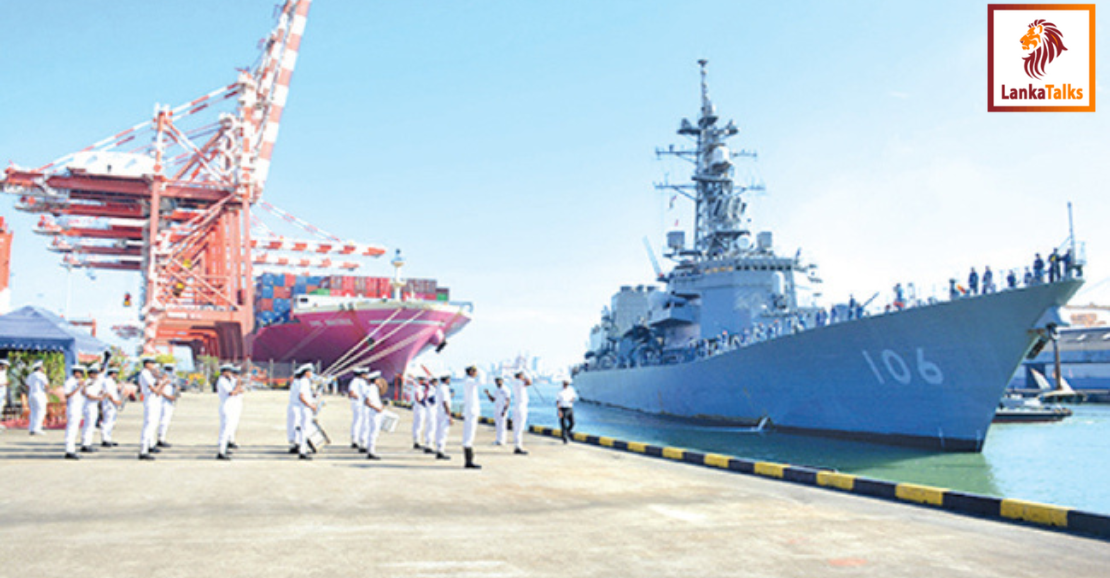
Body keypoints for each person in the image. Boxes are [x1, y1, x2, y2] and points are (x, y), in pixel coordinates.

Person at [216, 364, 244, 460]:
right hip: (226, 406)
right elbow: (232, 393)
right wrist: (238, 385)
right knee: (226, 429)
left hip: (230, 406)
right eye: (228, 371)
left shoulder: (228, 380)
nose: (230, 373)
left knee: (228, 428)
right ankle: (221, 451)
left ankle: (223, 448)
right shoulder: (222, 381)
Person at [292, 363, 319, 460]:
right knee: (305, 430)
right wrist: (311, 405)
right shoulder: (304, 381)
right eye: (310, 372)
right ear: (306, 372)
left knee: (305, 429)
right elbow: (302, 396)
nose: (311, 374)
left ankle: (303, 450)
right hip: (305, 408)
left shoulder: (305, 381)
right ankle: (303, 451)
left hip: (305, 408)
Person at [138, 356, 162, 460]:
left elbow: (157, 389)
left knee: (154, 424)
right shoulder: (145, 373)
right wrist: (163, 383)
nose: (153, 366)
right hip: (149, 399)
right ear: (147, 364)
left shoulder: (150, 374)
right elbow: (153, 389)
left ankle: (150, 445)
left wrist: (158, 378)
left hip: (155, 399)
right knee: (149, 424)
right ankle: (143, 450)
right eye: (152, 363)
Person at [62, 365, 88, 460]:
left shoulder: (78, 382)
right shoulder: (69, 382)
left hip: (78, 407)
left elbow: (84, 393)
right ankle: (69, 450)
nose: (80, 375)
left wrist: (83, 386)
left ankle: (72, 449)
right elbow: (67, 395)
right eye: (80, 373)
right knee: (71, 429)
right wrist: (78, 387)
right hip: (72, 407)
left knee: (75, 429)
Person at [461, 366, 482, 469]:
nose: (476, 373)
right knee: (469, 436)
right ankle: (468, 461)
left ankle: (469, 460)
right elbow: (481, 381)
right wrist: (481, 371)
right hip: (471, 412)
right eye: (475, 371)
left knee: (469, 436)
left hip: (471, 411)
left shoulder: (469, 381)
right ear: (470, 372)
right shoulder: (469, 381)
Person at [79, 364, 104, 453]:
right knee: (89, 425)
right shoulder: (89, 383)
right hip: (89, 406)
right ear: (91, 374)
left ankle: (87, 443)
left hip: (93, 405)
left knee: (90, 425)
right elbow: (89, 395)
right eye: (95, 374)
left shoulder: (95, 382)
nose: (97, 375)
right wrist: (99, 398)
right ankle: (86, 444)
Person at [362, 369, 385, 460]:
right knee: (373, 432)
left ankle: (371, 450)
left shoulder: (374, 388)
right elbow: (367, 402)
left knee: (374, 432)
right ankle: (371, 452)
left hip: (376, 412)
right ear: (375, 380)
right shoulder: (371, 388)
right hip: (374, 413)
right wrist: (376, 408)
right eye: (378, 380)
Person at [99, 367, 122, 447]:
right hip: (109, 403)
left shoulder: (112, 381)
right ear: (113, 374)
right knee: (107, 421)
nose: (117, 376)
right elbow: (108, 393)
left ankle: (108, 438)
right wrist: (115, 401)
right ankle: (105, 439)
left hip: (112, 404)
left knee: (111, 422)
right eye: (116, 374)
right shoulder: (107, 381)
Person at [485, 376, 511, 446]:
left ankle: (502, 440)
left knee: (502, 425)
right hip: (497, 409)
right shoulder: (496, 390)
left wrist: (504, 410)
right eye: (496, 381)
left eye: (499, 381)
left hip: (502, 409)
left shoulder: (506, 389)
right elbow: (493, 400)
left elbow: (508, 400)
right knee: (497, 425)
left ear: (502, 381)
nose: (497, 382)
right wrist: (488, 394)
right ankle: (498, 439)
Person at [157, 363, 178, 448]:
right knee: (163, 420)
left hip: (170, 402)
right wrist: (169, 397)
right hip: (163, 402)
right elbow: (160, 391)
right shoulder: (162, 379)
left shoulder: (172, 379)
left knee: (166, 420)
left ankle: (162, 437)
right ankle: (160, 439)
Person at [26, 360, 49, 435]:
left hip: (31, 394)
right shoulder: (42, 375)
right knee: (41, 411)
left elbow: (27, 385)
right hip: (40, 394)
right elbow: (46, 385)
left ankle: (32, 428)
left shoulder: (31, 375)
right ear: (40, 368)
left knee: (33, 412)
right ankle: (37, 428)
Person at [511, 371, 532, 455]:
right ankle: (518, 447)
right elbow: (529, 382)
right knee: (519, 428)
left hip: (519, 406)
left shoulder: (517, 382)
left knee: (518, 428)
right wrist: (526, 374)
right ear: (519, 376)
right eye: (522, 375)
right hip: (520, 407)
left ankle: (517, 446)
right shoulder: (518, 382)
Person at [348, 368, 368, 451]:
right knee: (360, 421)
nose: (366, 375)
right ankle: (356, 440)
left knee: (358, 421)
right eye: (365, 374)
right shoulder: (356, 381)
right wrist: (358, 398)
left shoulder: (360, 382)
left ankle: (355, 439)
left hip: (360, 404)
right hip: (359, 404)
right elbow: (351, 392)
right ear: (361, 374)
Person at [434, 374, 453, 460]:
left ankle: (439, 450)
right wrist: (450, 416)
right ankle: (441, 451)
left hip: (438, 412)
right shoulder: (444, 388)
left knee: (439, 432)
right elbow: (445, 402)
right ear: (446, 379)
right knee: (443, 433)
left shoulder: (439, 387)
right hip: (444, 413)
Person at [555, 379, 578, 444]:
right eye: (565, 383)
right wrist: (559, 411)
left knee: (572, 423)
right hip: (563, 408)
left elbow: (573, 397)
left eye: (567, 383)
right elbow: (557, 402)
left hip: (569, 408)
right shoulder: (559, 391)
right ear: (563, 383)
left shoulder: (571, 390)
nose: (566, 384)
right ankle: (564, 438)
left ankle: (566, 433)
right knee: (563, 423)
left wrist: (572, 399)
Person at [411, 376, 428, 450]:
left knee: (417, 425)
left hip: (418, 407)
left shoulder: (418, 388)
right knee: (419, 425)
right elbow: (418, 398)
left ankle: (416, 441)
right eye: (423, 380)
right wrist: (425, 404)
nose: (424, 382)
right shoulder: (418, 388)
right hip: (420, 408)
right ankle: (417, 442)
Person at [422, 377, 438, 453]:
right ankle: (429, 445)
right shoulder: (431, 390)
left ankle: (428, 444)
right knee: (431, 427)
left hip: (429, 409)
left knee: (429, 427)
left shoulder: (428, 389)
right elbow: (432, 400)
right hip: (432, 409)